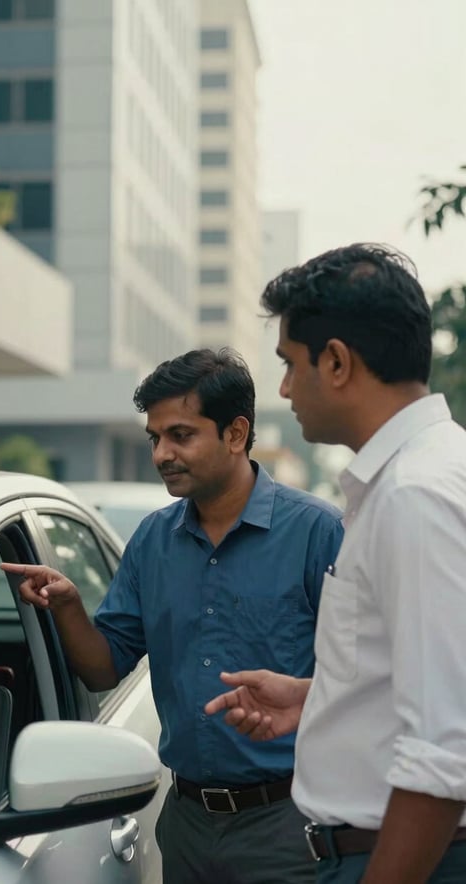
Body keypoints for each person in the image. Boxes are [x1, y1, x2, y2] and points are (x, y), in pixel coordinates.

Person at [2, 348, 343, 884]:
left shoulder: (318, 533)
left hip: (289, 825)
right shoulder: (152, 541)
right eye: (154, 438)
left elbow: (371, 678)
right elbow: (103, 669)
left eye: (180, 436)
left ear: (236, 433)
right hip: (186, 824)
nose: (162, 454)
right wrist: (67, 606)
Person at [204, 244, 466, 883]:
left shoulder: (414, 496)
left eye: (290, 364)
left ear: (338, 362)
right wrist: (321, 699)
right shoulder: (427, 471)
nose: (285, 388)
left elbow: (447, 749)